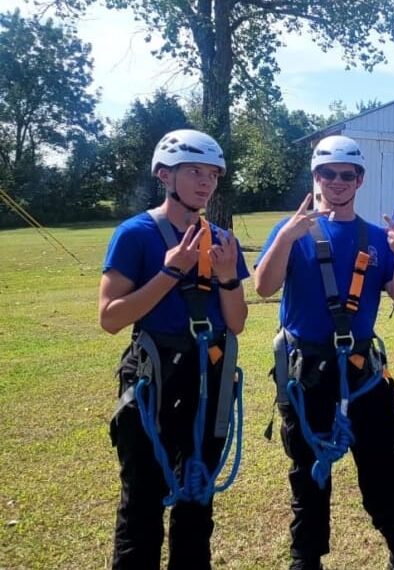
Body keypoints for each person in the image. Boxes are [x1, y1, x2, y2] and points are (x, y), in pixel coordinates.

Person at [255, 135, 394, 570]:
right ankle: (306, 558)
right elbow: (264, 288)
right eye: (327, 173)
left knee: (382, 467)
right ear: (315, 176)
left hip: (363, 372)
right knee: (308, 470)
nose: (336, 182)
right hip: (308, 372)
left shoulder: (376, 237)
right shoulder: (292, 231)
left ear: (359, 180)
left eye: (346, 175)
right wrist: (286, 237)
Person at [99, 129, 248, 569]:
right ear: (166, 175)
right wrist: (170, 273)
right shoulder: (136, 235)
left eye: (213, 175)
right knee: (142, 499)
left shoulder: (222, 239)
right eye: (195, 172)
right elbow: (110, 318)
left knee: (196, 497)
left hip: (208, 376)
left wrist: (227, 274)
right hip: (153, 378)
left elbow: (237, 322)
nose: (206, 183)